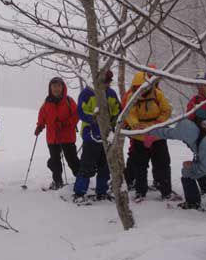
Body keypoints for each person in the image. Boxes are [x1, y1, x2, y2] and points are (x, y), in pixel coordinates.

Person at [124, 72, 179, 202]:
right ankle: (140, 192)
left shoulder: (157, 94)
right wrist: (135, 124)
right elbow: (129, 113)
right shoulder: (132, 97)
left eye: (141, 87)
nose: (139, 90)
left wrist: (157, 123)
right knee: (140, 166)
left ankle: (166, 191)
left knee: (162, 164)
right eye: (136, 87)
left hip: (157, 135)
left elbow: (166, 110)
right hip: (139, 136)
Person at [73, 70, 121, 203]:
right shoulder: (87, 93)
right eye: (105, 82)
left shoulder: (111, 93)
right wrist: (94, 119)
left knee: (104, 166)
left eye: (108, 82)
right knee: (87, 164)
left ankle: (102, 191)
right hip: (90, 133)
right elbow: (81, 111)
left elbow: (118, 110)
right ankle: (79, 193)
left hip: (106, 134)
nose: (107, 85)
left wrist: (114, 121)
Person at [34, 77, 80, 190]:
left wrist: (64, 124)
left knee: (72, 160)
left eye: (59, 86)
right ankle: (57, 182)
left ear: (63, 87)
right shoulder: (47, 103)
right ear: (50, 88)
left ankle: (81, 179)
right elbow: (42, 115)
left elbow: (76, 116)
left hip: (67, 137)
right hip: (52, 137)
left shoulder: (69, 101)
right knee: (55, 161)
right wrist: (40, 125)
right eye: (54, 86)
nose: (56, 88)